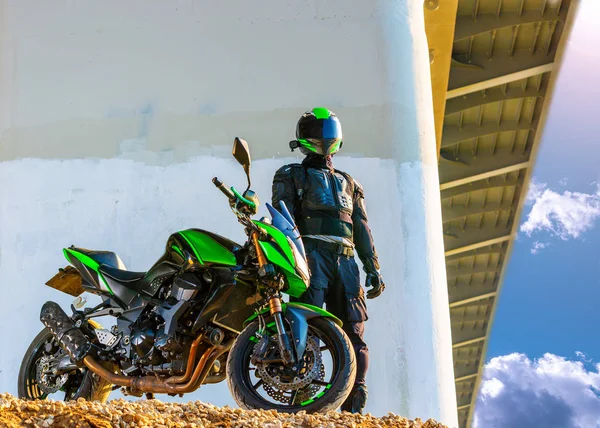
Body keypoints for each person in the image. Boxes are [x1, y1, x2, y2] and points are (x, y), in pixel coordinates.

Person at [271, 107, 385, 414]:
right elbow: (283, 219)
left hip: (343, 262)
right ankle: (304, 393)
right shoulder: (290, 175)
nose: (323, 140)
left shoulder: (349, 182)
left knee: (353, 332)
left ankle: (354, 397)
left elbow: (360, 227)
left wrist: (372, 267)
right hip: (310, 257)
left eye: (326, 133)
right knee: (307, 326)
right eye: (318, 133)